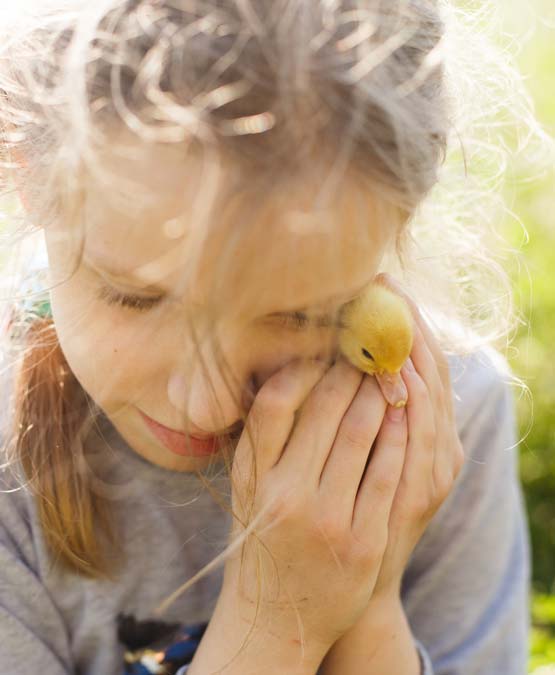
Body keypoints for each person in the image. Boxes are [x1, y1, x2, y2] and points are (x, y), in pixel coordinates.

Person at [0, 1, 533, 673]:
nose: (205, 405)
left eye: (305, 314)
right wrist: (277, 621)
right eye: (135, 297)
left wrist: (366, 606)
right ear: (22, 165)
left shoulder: (441, 421)